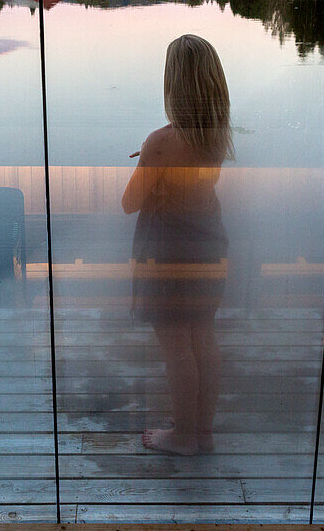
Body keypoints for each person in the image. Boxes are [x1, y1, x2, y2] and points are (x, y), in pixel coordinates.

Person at [122, 34, 233, 456]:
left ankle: (184, 436)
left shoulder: (160, 142)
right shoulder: (217, 134)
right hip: (210, 248)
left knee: (175, 347)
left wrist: (151, 161)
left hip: (170, 257)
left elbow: (129, 204)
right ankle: (201, 430)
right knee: (203, 336)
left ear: (174, 86)